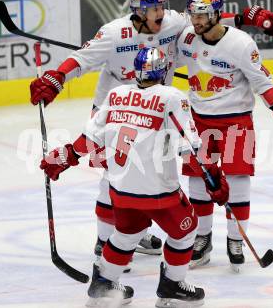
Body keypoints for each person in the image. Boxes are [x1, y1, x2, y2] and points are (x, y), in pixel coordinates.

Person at [29, 0, 273, 267]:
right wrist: (57, 78)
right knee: (113, 174)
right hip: (115, 108)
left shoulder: (172, 22)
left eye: (162, 7)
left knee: (150, 169)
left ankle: (135, 232)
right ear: (139, 12)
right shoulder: (114, 32)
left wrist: (249, 16)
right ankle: (104, 241)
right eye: (155, 9)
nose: (161, 13)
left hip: (156, 110)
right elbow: (82, 59)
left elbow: (207, 22)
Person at [40, 47, 229, 307]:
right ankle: (172, 286)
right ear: (163, 72)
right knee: (185, 232)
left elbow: (90, 138)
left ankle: (104, 284)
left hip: (121, 189)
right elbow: (190, 148)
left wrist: (66, 156)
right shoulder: (171, 97)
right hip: (159, 191)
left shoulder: (116, 94)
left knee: (126, 233)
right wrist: (214, 178)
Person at [176, 0, 273, 272]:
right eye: (192, 14)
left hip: (236, 122)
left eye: (201, 15)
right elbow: (162, 57)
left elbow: (262, 80)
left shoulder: (241, 44)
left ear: (214, 15)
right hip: (198, 121)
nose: (195, 20)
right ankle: (202, 238)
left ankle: (235, 239)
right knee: (198, 181)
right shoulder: (186, 38)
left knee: (238, 178)